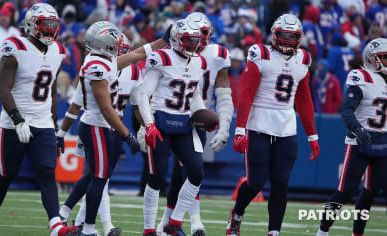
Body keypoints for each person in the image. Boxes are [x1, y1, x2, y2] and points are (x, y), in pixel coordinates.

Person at [0, 3, 80, 236]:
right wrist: (18, 120)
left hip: (43, 122)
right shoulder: (15, 47)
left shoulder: (58, 50)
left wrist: (54, 124)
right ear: (32, 25)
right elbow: (3, 89)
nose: (50, 32)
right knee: (6, 175)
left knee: (47, 172)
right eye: (45, 26)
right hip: (14, 122)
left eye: (53, 27)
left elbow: (52, 90)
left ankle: (55, 224)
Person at [56, 33, 166, 236]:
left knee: (97, 177)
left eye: (123, 51)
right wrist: (61, 133)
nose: (120, 54)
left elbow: (135, 105)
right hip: (96, 126)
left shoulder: (131, 71)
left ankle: (73, 217)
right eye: (118, 50)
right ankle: (99, 225)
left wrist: (147, 126)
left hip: (113, 129)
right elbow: (78, 105)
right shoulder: (96, 67)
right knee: (99, 177)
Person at [227, 14, 320, 236]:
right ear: (274, 35)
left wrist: (312, 135)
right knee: (255, 182)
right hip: (259, 125)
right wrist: (240, 129)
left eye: (292, 36)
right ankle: (237, 214)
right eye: (284, 36)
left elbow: (304, 99)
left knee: (281, 182)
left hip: (286, 128)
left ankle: (274, 232)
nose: (287, 40)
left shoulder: (303, 59)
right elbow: (246, 93)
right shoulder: (261, 53)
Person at [155, 12, 234, 236]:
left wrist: (225, 125)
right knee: (183, 171)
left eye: (203, 35)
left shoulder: (218, 53)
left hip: (199, 116)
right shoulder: (172, 51)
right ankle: (191, 222)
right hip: (172, 113)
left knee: (188, 172)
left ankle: (168, 223)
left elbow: (224, 92)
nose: (198, 40)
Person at [138, 18, 208, 236]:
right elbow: (143, 94)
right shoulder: (163, 58)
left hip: (185, 122)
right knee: (158, 174)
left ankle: (174, 223)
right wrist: (148, 125)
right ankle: (149, 229)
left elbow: (194, 95)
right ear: (177, 40)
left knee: (196, 172)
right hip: (161, 122)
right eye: (190, 40)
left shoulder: (199, 62)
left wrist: (203, 116)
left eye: (197, 40)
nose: (195, 45)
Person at [316, 38, 387, 236]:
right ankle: (322, 232)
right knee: (345, 191)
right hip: (360, 141)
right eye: (384, 58)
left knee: (371, 191)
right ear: (372, 59)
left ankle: (357, 234)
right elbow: (346, 109)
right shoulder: (360, 76)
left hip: (383, 143)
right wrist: (357, 128)